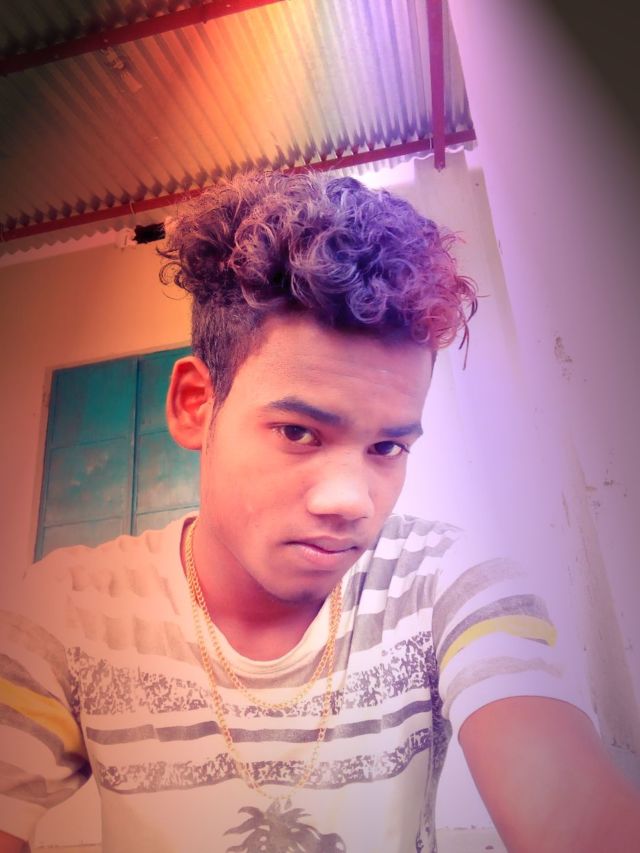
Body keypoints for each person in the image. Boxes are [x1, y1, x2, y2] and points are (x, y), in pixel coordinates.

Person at [0, 171, 638, 853]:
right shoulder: (72, 610)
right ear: (195, 404)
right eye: (299, 432)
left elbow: (566, 800)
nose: (350, 501)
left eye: (387, 447)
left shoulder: (446, 586)